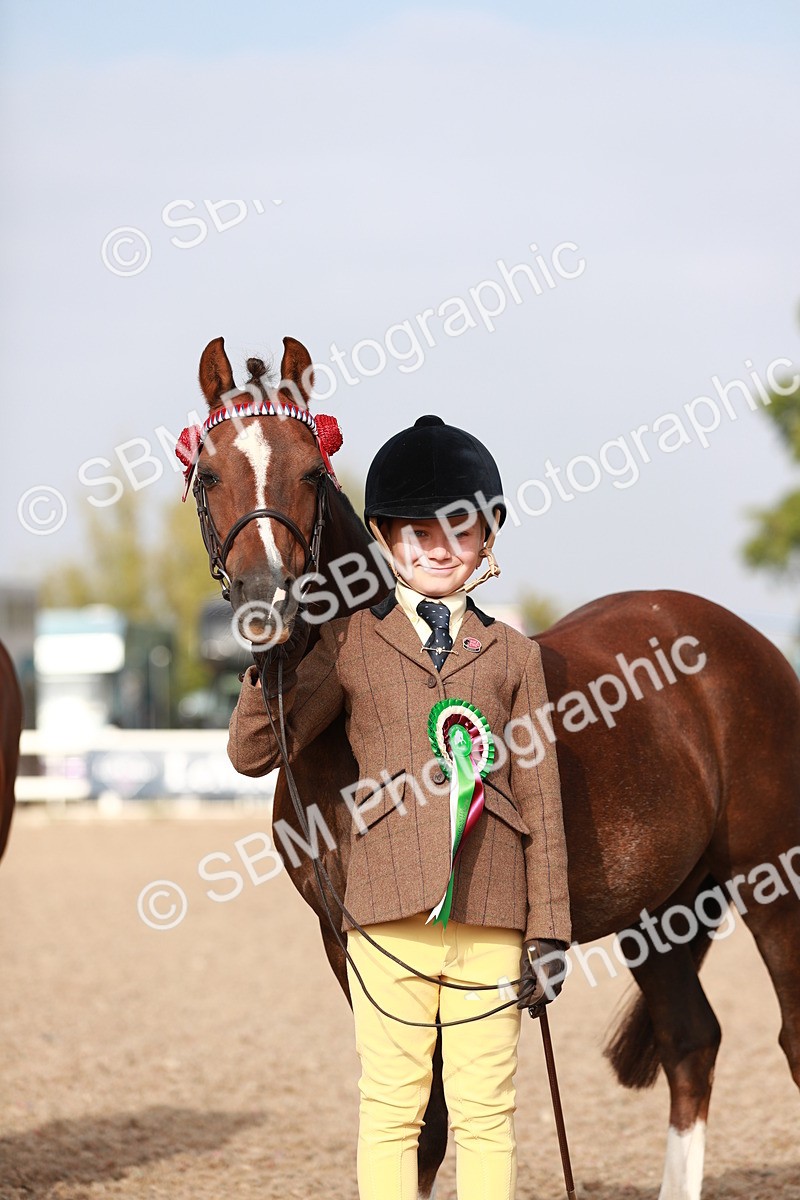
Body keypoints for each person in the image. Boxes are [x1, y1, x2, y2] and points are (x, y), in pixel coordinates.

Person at [227, 414, 571, 1200]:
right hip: (384, 919)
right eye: (418, 533)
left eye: (460, 530)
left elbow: (542, 800)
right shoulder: (349, 642)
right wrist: (271, 661)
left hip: (492, 915)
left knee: (486, 1115)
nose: (439, 549)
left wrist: (550, 927)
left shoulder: (516, 656)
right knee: (390, 1112)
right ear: (384, 538)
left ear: (488, 537)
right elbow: (253, 752)